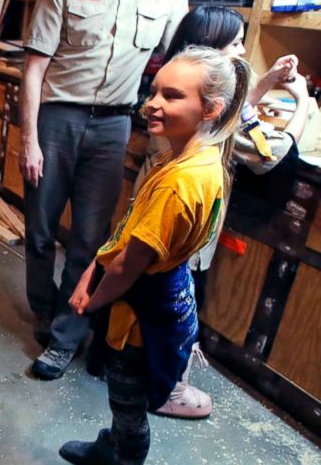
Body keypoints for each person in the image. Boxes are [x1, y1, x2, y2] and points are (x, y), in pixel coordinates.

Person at [20, 0, 189, 380]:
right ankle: (43, 307)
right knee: (39, 229)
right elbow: (33, 68)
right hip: (56, 119)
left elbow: (183, 61)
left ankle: (65, 336)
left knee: (92, 239)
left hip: (114, 126)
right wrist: (29, 140)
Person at [61, 46, 251, 465]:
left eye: (172, 95)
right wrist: (93, 267)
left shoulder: (179, 183)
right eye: (154, 91)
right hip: (164, 298)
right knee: (124, 400)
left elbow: (130, 263)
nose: (152, 104)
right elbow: (128, 235)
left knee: (128, 404)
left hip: (140, 319)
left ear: (211, 109)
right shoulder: (194, 159)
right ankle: (109, 444)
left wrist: (93, 298)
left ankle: (123, 455)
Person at [127, 5, 312, 419]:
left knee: (141, 291)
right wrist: (302, 103)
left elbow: (232, 117)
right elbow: (270, 153)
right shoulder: (210, 110)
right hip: (185, 228)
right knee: (176, 306)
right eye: (234, 44)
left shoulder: (175, 88)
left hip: (153, 213)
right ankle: (167, 388)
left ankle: (129, 369)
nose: (243, 50)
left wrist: (259, 83)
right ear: (210, 52)